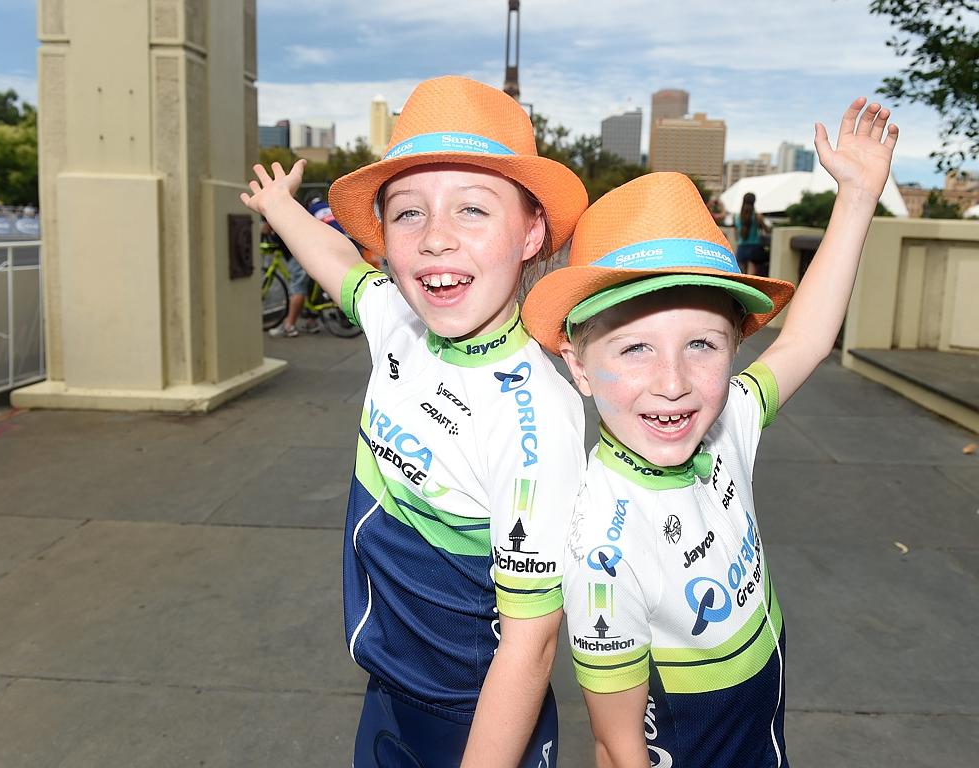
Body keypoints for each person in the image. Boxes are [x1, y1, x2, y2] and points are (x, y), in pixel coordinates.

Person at [521, 98, 896, 767]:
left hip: (763, 716)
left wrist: (858, 196)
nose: (674, 381)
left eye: (702, 344)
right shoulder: (604, 547)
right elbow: (615, 743)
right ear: (578, 366)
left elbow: (807, 338)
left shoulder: (729, 424)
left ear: (735, 350)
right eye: (635, 349)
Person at [240, 76, 589, 767]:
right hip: (388, 690)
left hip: (477, 715)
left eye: (472, 210)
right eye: (407, 214)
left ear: (532, 234)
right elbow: (338, 262)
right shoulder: (399, 323)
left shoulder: (535, 420)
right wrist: (281, 209)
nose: (434, 239)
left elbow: (532, 643)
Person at [262, 218, 315, 337]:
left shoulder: (273, 216)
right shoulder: (287, 211)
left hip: (297, 255)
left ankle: (289, 326)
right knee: (308, 285)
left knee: (297, 288)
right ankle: (312, 321)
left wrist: (266, 228)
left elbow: (265, 231)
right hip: (304, 251)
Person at [736, 191, 771, 276]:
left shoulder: (737, 216)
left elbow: (737, 234)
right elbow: (767, 230)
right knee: (751, 277)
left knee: (741, 276)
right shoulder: (757, 216)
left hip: (741, 249)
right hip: (754, 250)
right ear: (754, 202)